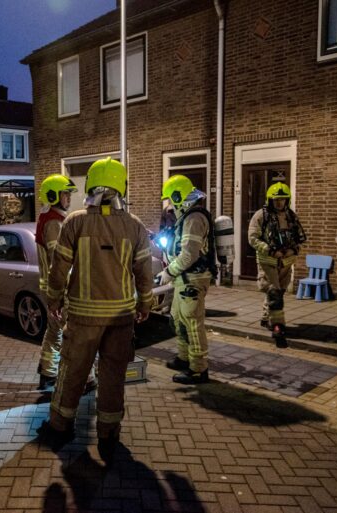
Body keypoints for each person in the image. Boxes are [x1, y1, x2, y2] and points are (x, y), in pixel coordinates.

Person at [36, 157, 154, 465]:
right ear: (121, 188)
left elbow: (59, 267)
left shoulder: (75, 221)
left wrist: (54, 299)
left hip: (83, 318)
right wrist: (145, 304)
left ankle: (60, 427)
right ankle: (108, 434)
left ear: (90, 186)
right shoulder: (134, 225)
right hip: (121, 319)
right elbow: (144, 271)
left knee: (72, 373)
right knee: (113, 377)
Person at [35, 174, 96, 392]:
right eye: (65, 194)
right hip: (59, 287)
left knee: (55, 330)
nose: (68, 198)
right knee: (74, 332)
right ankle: (85, 378)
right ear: (53, 195)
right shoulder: (53, 223)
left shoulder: (53, 218)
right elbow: (58, 260)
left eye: (69, 194)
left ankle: (48, 372)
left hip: (53, 287)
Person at [158, 175, 216, 385]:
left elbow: (189, 255)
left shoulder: (194, 219)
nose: (170, 205)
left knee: (192, 323)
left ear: (179, 196)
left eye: (171, 200)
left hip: (193, 278)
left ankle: (199, 369)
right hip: (184, 278)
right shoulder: (186, 218)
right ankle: (184, 358)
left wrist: (169, 272)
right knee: (177, 318)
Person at [247, 182, 306, 348]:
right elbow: (252, 238)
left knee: (279, 291)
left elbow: (299, 237)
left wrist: (293, 250)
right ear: (270, 200)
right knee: (273, 291)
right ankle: (278, 326)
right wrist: (270, 250)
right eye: (276, 199)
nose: (279, 203)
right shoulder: (260, 216)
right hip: (268, 261)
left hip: (286, 261)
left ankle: (266, 317)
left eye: (283, 199)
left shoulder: (291, 217)